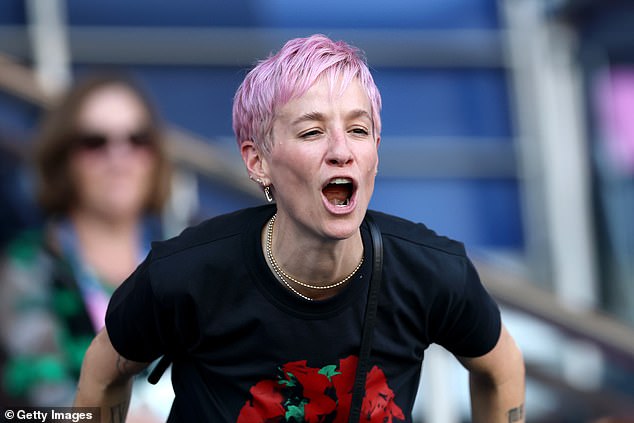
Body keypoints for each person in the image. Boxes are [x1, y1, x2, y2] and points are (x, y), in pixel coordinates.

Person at [74, 35, 525, 422]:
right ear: (258, 161)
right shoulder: (185, 274)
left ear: (376, 152)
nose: (341, 151)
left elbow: (502, 368)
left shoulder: (431, 271)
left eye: (359, 130)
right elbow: (101, 373)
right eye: (312, 132)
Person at [0, 73, 172, 418]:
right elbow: (37, 405)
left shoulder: (186, 260)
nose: (119, 158)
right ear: (64, 160)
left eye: (136, 140)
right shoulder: (26, 269)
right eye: (96, 142)